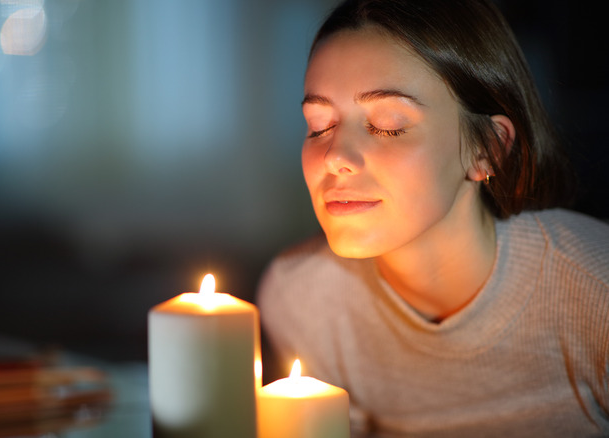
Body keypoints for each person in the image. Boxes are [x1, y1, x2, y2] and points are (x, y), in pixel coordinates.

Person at [256, 0, 609, 436]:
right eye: (319, 125)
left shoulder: (595, 293)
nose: (336, 158)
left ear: (488, 149)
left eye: (387, 125)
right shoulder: (302, 299)